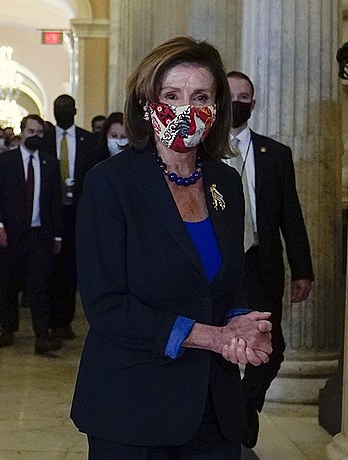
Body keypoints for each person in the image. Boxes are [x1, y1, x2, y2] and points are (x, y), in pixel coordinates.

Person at [70, 37, 273, 459]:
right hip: (132, 405)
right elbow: (106, 305)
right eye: (171, 95)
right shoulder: (111, 183)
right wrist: (210, 337)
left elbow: (227, 282)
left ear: (216, 109)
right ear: (148, 104)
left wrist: (240, 327)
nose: (186, 108)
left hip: (213, 408)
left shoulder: (225, 183)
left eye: (200, 96)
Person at [225, 70, 314, 449]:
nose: (237, 103)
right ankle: (227, 419)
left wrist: (302, 269)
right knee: (224, 344)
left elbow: (290, 215)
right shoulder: (203, 152)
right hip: (219, 263)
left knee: (270, 348)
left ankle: (243, 406)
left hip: (262, 262)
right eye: (230, 96)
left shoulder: (275, 154)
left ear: (253, 103)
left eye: (244, 97)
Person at [0, 114, 64, 354]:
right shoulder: (5, 162)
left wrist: (58, 235)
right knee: (9, 284)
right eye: (31, 132)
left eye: (39, 133)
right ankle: (7, 329)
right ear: (22, 132)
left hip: (39, 234)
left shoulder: (50, 164)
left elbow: (55, 202)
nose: (35, 137)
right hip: (11, 233)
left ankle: (42, 334)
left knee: (39, 285)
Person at [41, 94, 96, 340]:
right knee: (49, 269)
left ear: (75, 110)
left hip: (77, 211)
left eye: (66, 108)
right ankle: (48, 321)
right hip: (49, 212)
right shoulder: (44, 139)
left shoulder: (89, 140)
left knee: (71, 270)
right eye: (58, 108)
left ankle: (65, 321)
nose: (62, 111)